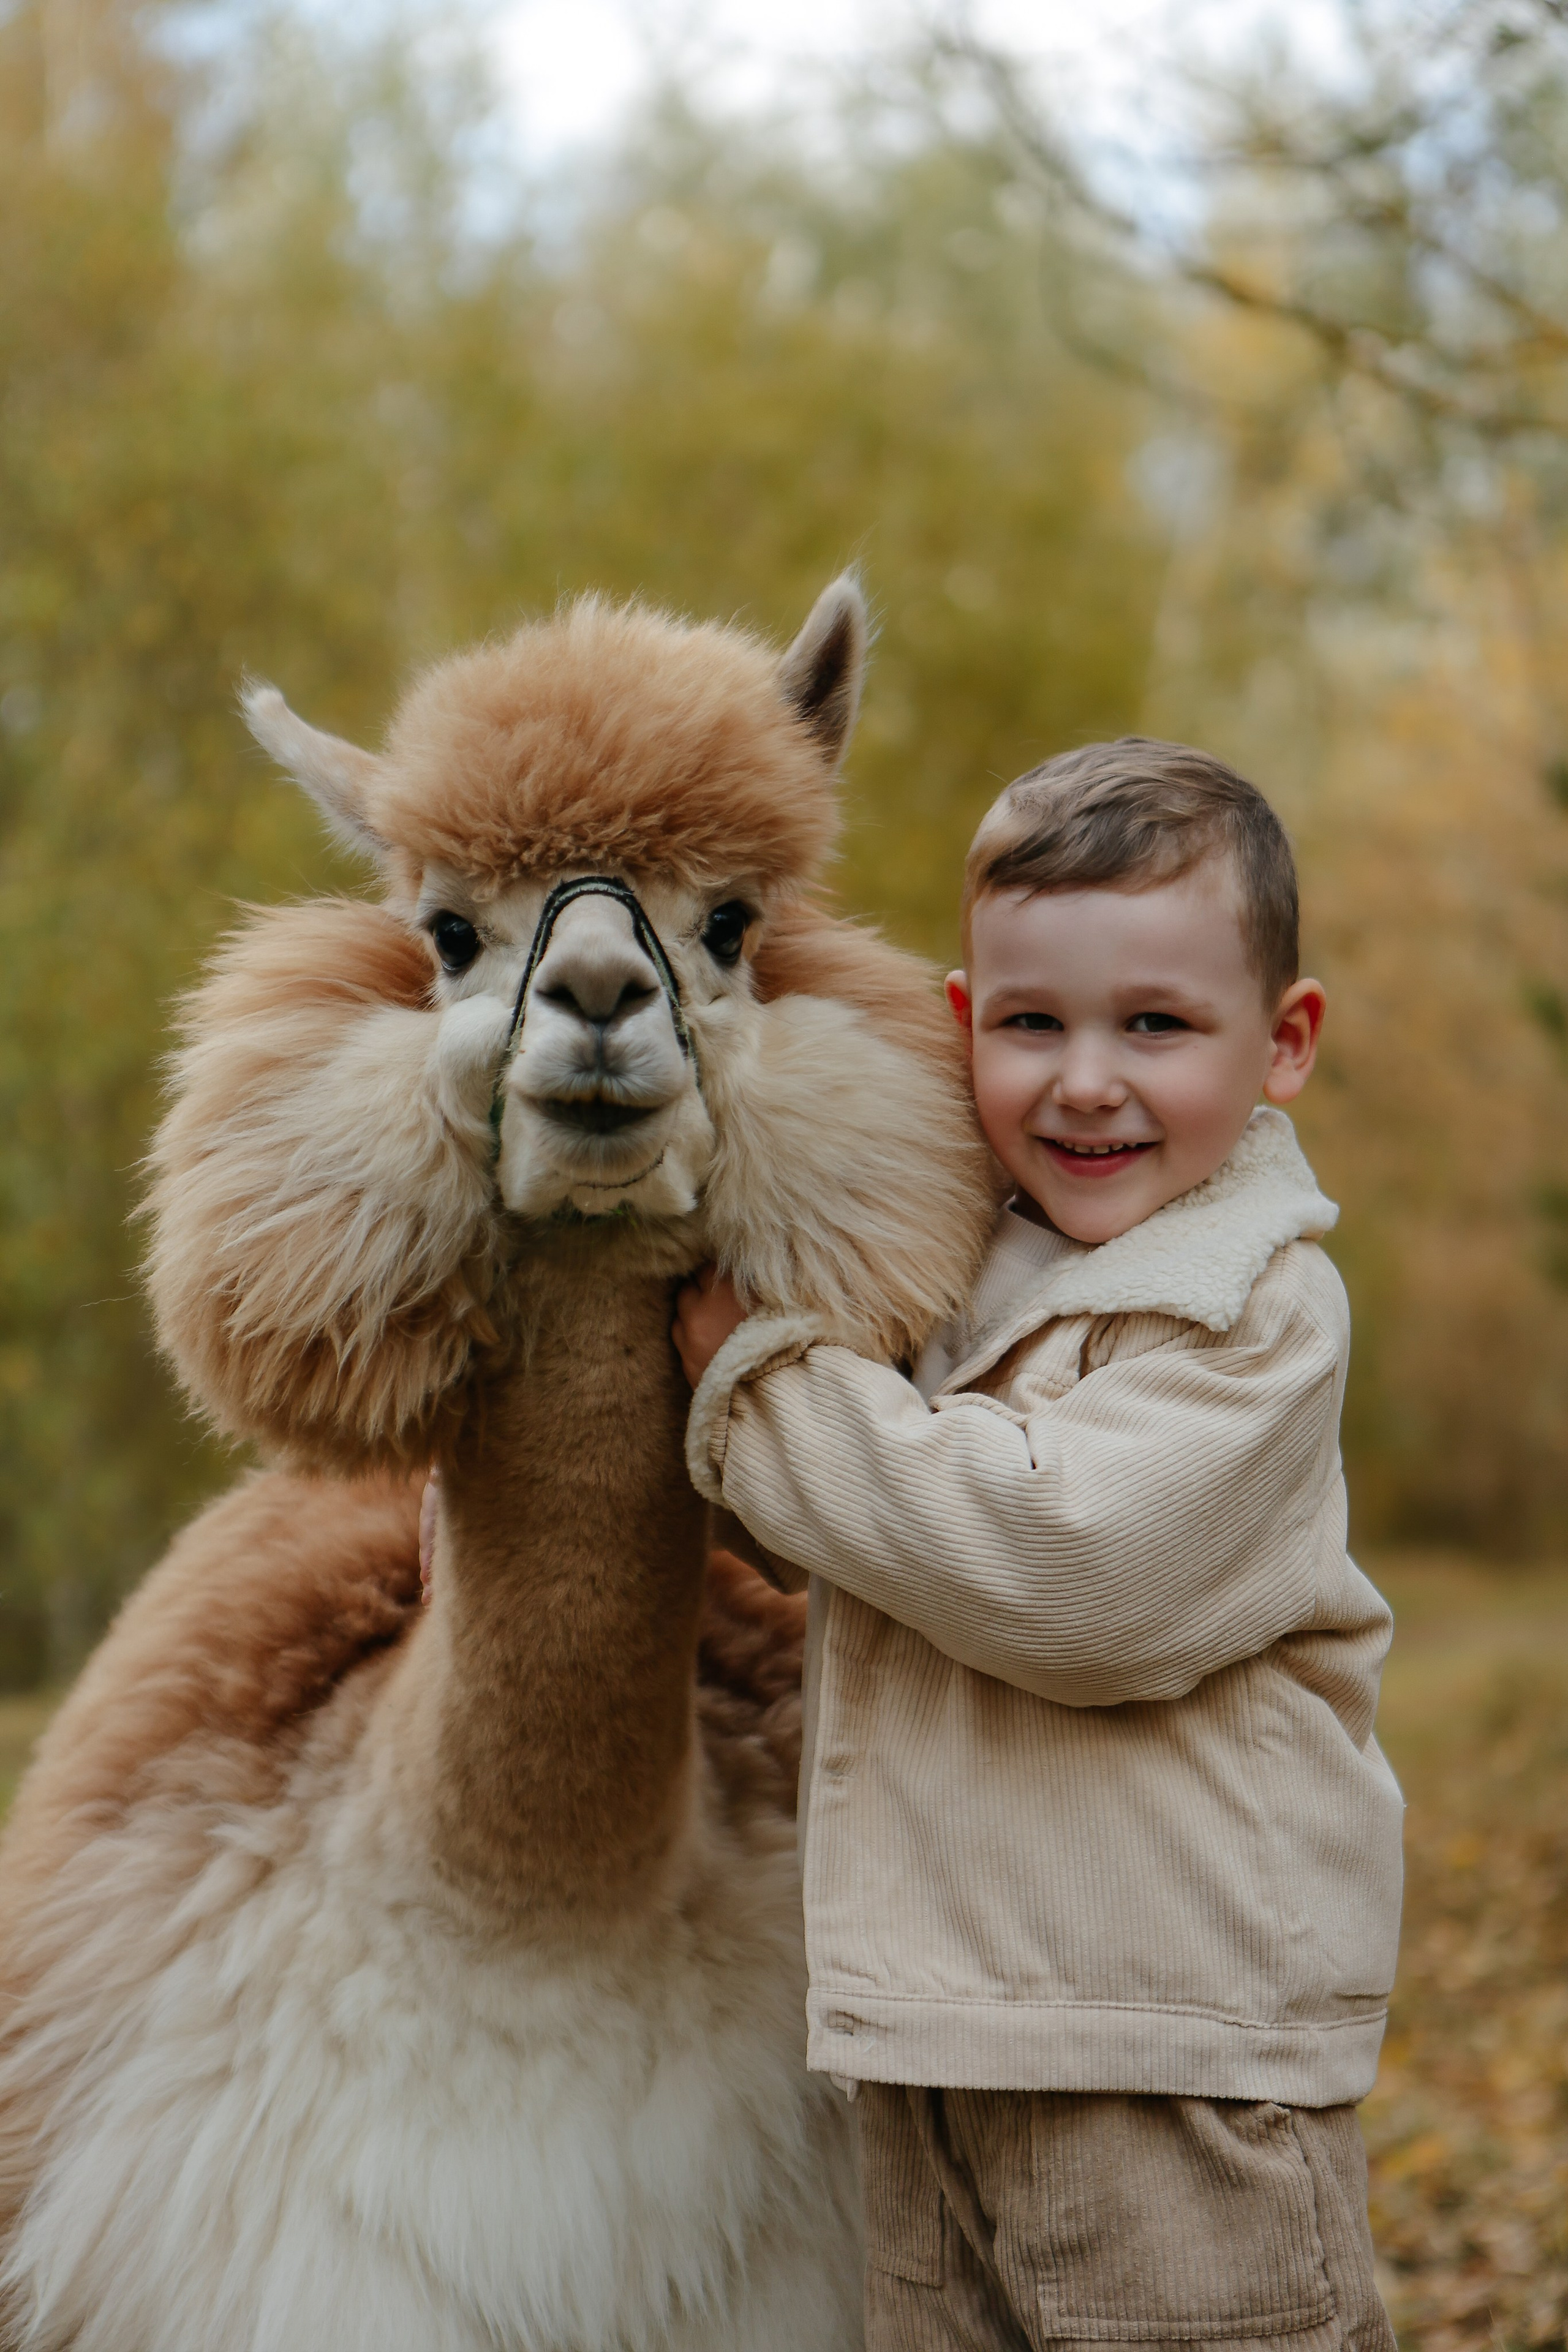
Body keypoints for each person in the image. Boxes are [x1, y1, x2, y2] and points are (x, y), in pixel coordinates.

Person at [674, 737, 1403, 2352]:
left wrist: (760, 1391)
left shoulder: (1253, 1308)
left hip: (1171, 2057)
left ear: (1283, 1044)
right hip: (940, 2040)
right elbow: (852, 1527)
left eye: (1155, 1025)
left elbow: (1063, 1570)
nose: (1085, 1081)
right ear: (964, 1027)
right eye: (1031, 1025)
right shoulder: (955, 1285)